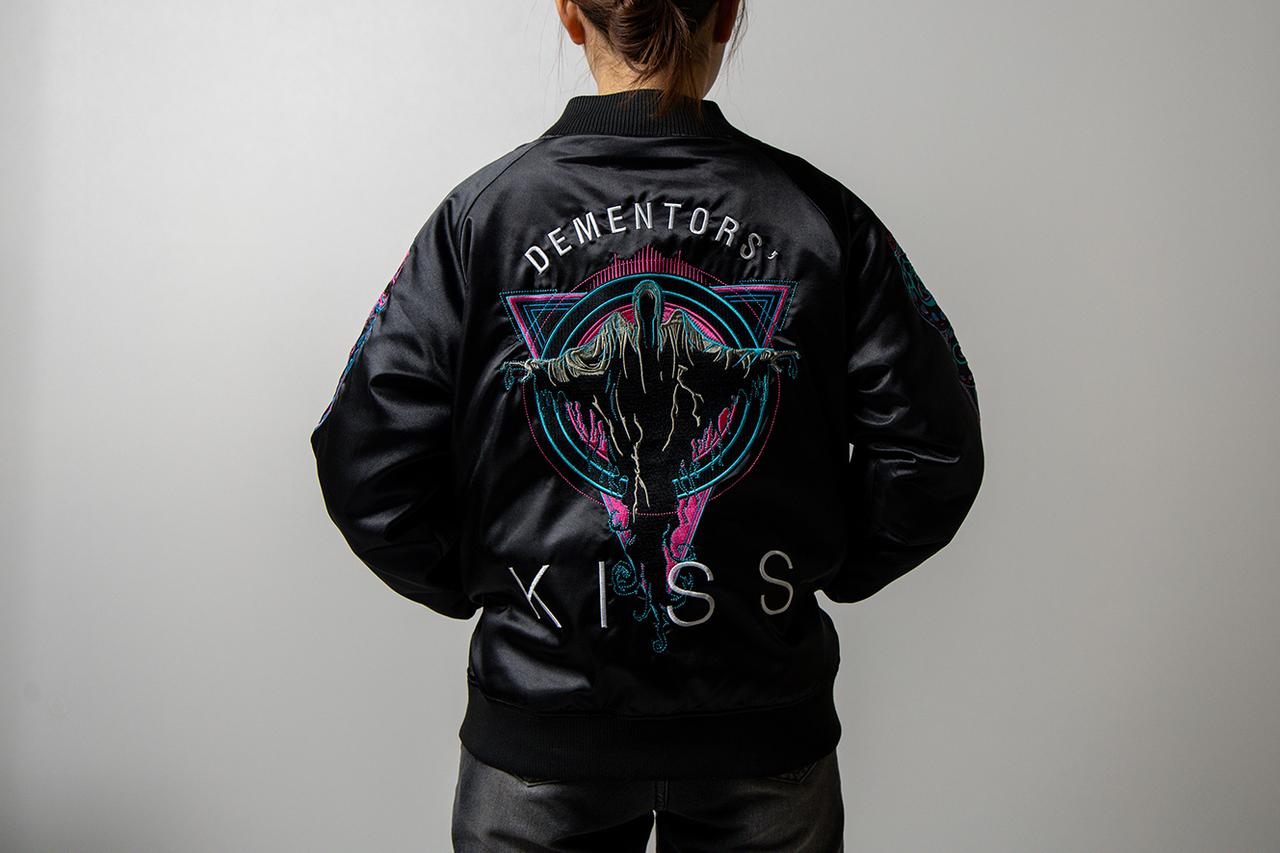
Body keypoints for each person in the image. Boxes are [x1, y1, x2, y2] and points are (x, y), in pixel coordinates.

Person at [309, 0, 985, 849]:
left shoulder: (482, 216)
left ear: (570, 14)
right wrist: (806, 569)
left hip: (542, 729)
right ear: (727, 13)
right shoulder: (819, 216)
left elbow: (365, 461)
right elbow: (932, 450)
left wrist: (506, 587)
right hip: (763, 723)